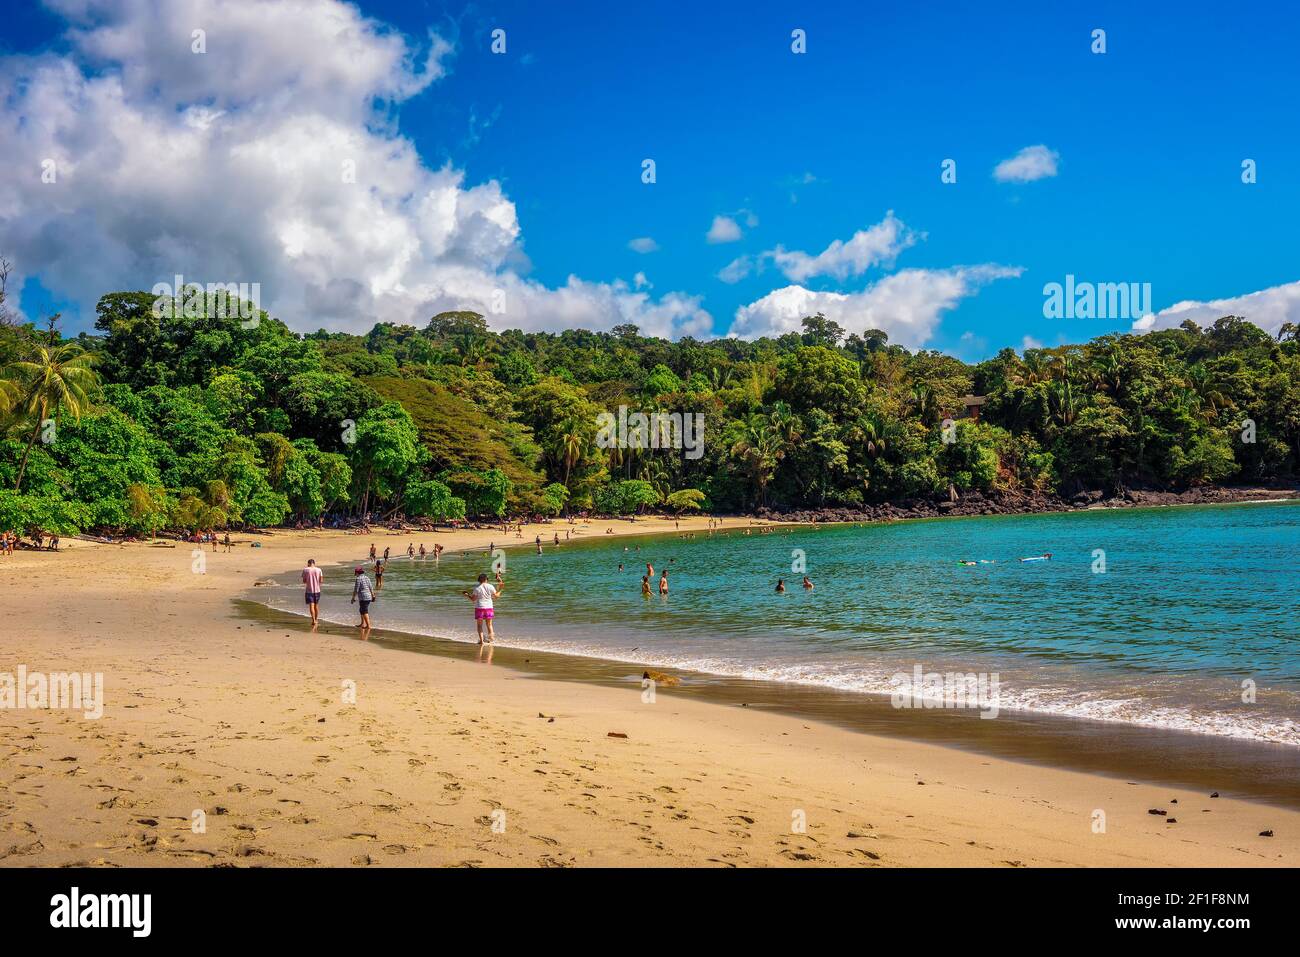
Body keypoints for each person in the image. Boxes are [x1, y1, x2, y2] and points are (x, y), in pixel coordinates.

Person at [463, 573, 501, 644]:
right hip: (489, 607)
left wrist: (467, 595)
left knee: (479, 625)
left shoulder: (476, 588)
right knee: (489, 625)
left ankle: (481, 641)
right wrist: (500, 591)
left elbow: (473, 599)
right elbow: (496, 596)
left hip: (479, 607)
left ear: (479, 580)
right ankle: (491, 640)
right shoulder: (490, 586)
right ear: (486, 579)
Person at [351, 566, 374, 630]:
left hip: (363, 597)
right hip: (368, 597)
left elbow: (356, 590)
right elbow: (371, 587)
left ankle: (368, 626)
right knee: (361, 610)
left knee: (364, 611)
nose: (355, 574)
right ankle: (362, 623)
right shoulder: (367, 577)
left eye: (355, 572)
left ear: (357, 572)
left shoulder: (358, 579)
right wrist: (373, 595)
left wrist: (353, 598)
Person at [302, 558, 323, 626]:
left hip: (309, 590)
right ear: (314, 563)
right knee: (316, 605)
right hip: (317, 590)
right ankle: (316, 619)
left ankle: (313, 620)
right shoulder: (319, 570)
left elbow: (304, 581)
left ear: (308, 563)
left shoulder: (305, 570)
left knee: (311, 605)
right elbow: (321, 580)